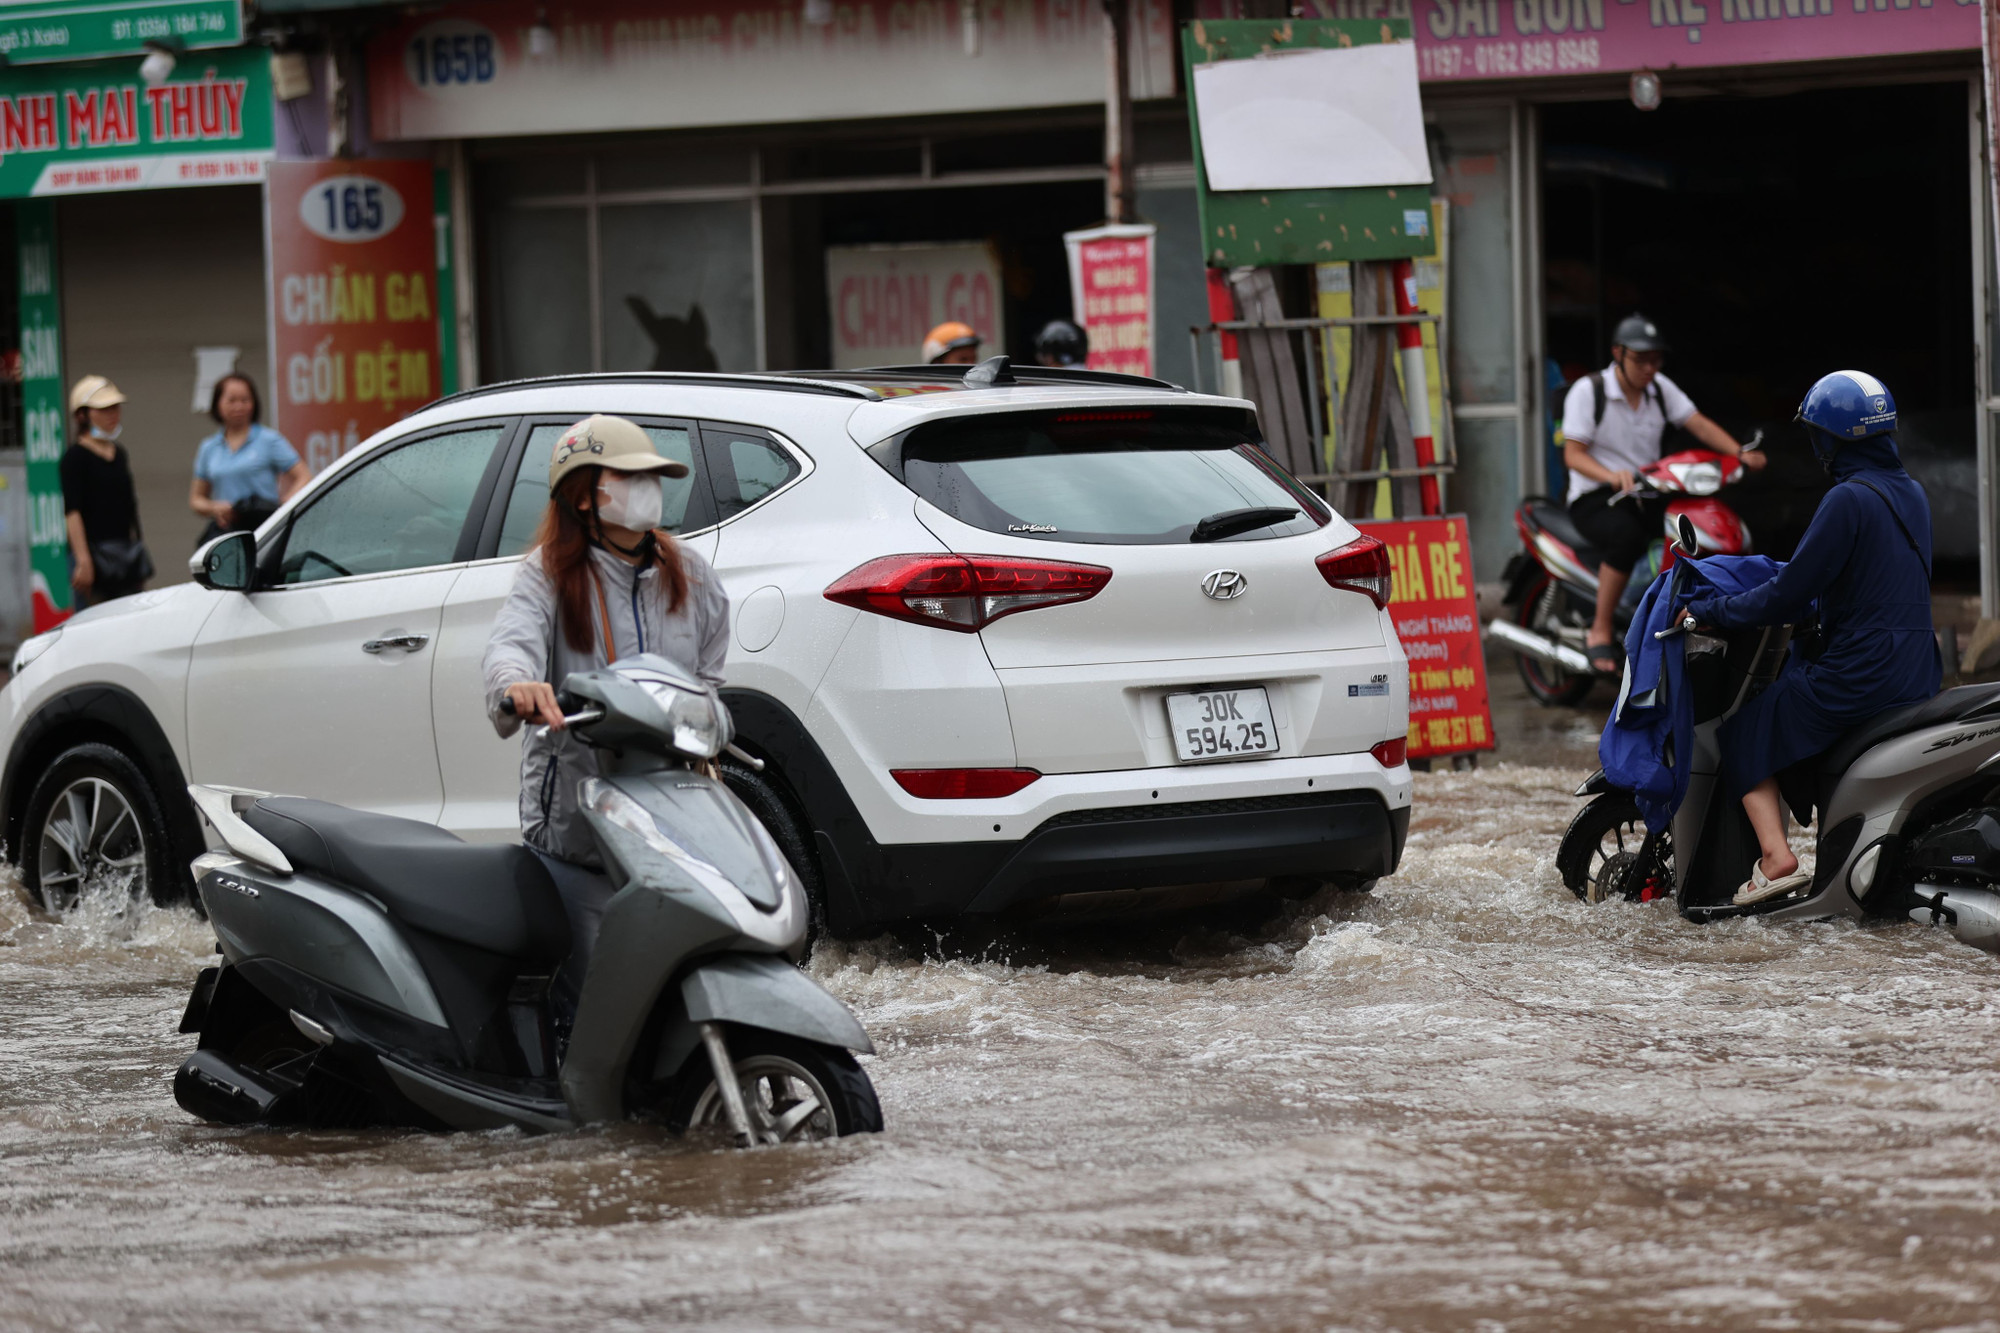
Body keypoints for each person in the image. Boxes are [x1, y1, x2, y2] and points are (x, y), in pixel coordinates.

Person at [481, 414, 730, 982]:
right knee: (595, 983)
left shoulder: (692, 573)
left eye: (653, 477)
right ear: (583, 495)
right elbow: (509, 646)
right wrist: (516, 686)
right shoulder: (547, 574)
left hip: (674, 816)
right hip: (577, 828)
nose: (649, 490)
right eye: (630, 477)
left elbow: (709, 679)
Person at [1680, 371, 1939, 906]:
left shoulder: (1847, 499)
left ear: (1832, 439)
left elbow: (1786, 594)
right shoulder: (1912, 493)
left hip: (1863, 673)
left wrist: (1711, 610)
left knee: (1745, 732)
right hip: (1918, 668)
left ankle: (1777, 859)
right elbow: (1873, 579)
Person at [1561, 314, 1763, 675]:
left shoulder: (1659, 388)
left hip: (1649, 494)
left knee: (1694, 532)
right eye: (1641, 359)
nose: (1649, 368)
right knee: (1625, 536)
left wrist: (1739, 454)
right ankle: (1600, 629)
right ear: (1618, 353)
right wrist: (1611, 476)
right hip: (1597, 497)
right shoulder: (1588, 391)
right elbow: (1573, 454)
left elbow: (1697, 423)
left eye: (1656, 359)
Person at [60, 375, 150, 608]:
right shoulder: (74, 457)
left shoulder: (119, 453)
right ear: (82, 415)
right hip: (93, 557)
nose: (113, 414)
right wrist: (83, 560)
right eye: (104, 409)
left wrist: (136, 552)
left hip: (124, 555)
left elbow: (129, 506)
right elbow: (72, 511)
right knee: (94, 621)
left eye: (115, 407)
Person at [190, 373, 311, 543]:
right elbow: (196, 499)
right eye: (231, 400)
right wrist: (215, 508)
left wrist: (282, 508)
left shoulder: (269, 440)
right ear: (217, 404)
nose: (238, 406)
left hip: (264, 531)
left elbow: (304, 476)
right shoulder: (209, 447)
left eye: (245, 400)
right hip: (228, 533)